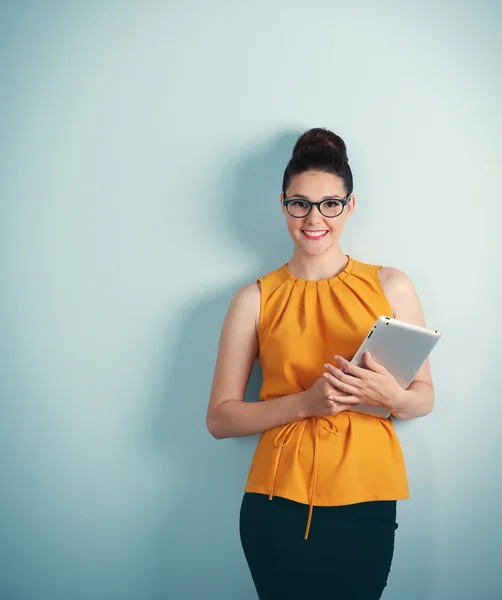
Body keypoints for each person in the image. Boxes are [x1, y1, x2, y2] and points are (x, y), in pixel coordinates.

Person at [205, 128, 435, 600]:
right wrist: (307, 403)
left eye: (330, 203)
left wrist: (391, 397)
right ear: (284, 203)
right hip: (276, 501)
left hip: (367, 496)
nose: (315, 218)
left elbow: (423, 397)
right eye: (300, 203)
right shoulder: (254, 299)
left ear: (349, 207)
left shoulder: (392, 286)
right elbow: (220, 418)